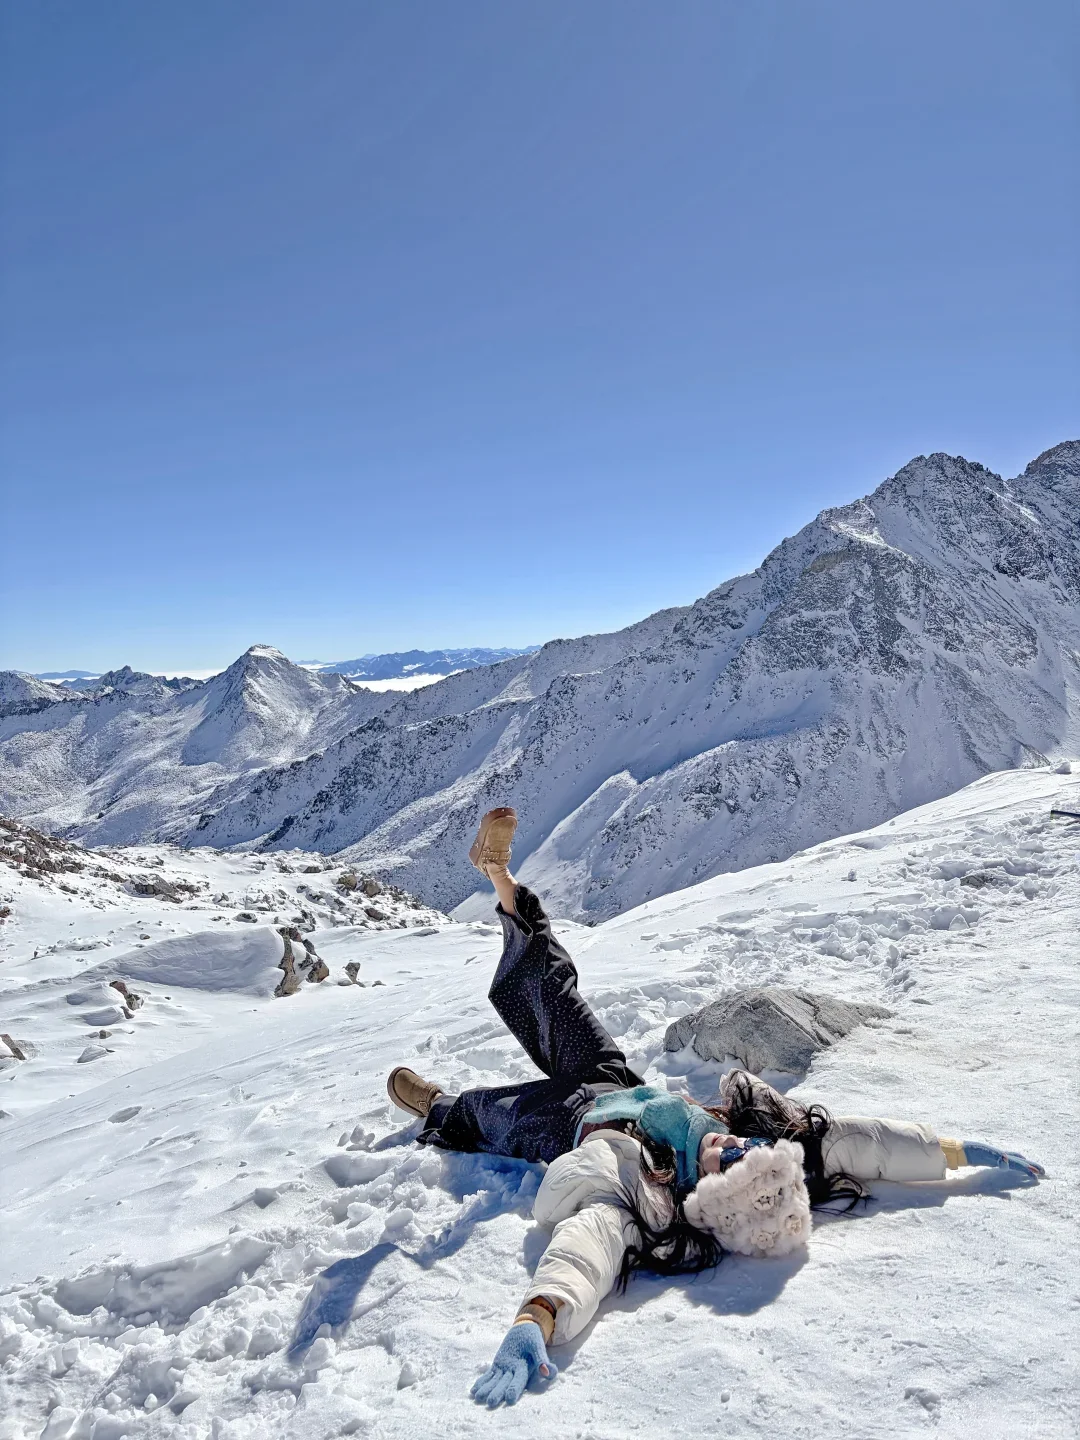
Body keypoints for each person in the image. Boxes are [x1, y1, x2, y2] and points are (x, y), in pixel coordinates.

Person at [386, 808, 1046, 1409]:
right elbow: (854, 1143)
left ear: (707, 1198)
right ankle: (496, 873)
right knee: (555, 989)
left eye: (729, 1161)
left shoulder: (644, 1197)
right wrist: (955, 1154)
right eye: (748, 1150)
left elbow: (585, 1250)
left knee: (485, 1116)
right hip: (616, 1078)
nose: (734, 1145)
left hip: (568, 1120)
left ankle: (436, 1108)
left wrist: (537, 1318)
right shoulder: (757, 1153)